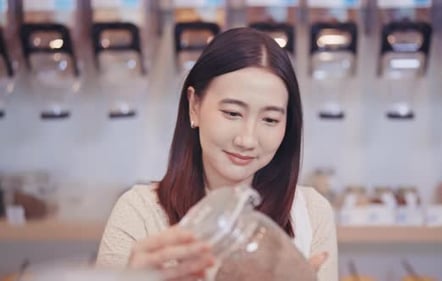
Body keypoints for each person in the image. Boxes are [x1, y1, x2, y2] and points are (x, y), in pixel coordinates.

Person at [96, 27, 338, 281]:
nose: (247, 139)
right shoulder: (139, 213)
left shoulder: (311, 212)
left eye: (270, 119)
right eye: (232, 113)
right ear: (195, 105)